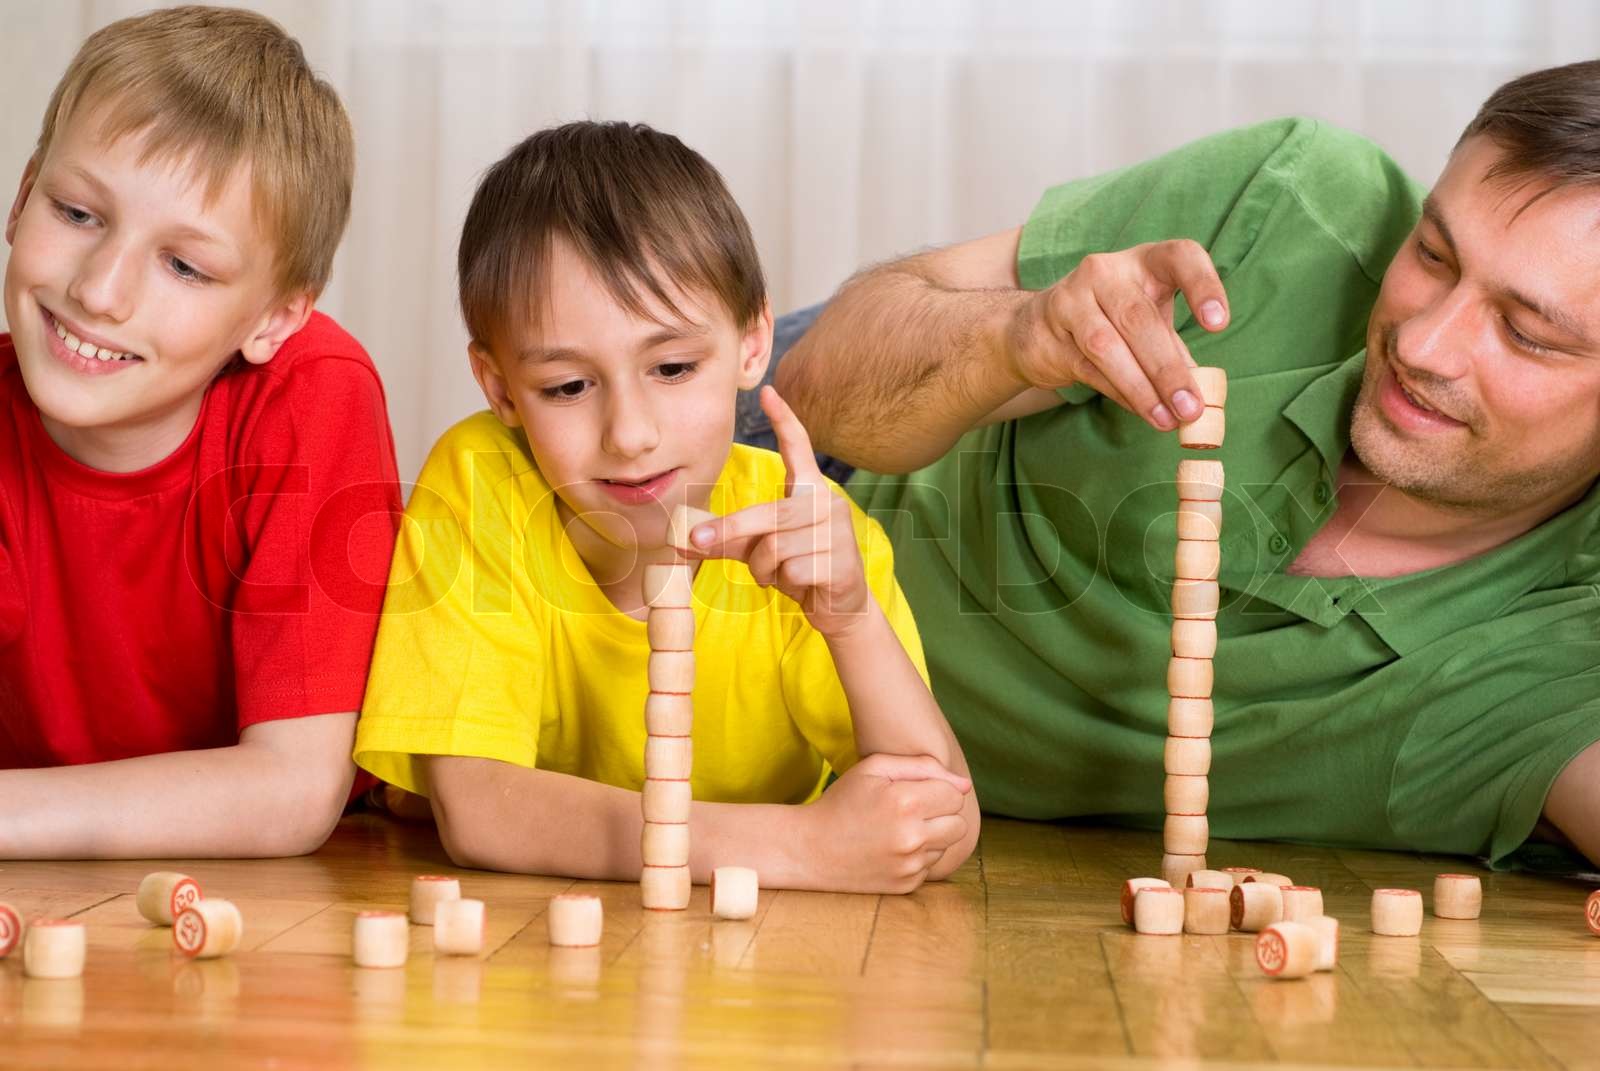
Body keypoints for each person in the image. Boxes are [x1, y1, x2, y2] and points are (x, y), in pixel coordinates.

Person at [770, 61, 1600, 869]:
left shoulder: (1567, 650)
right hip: (797, 486)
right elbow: (813, 388)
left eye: (1528, 333)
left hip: (860, 815)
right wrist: (1016, 339)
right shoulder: (1298, 201)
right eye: (1433, 255)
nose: (1421, 344)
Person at [353, 121, 978, 893]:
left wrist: (848, 619)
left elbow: (939, 824)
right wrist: (802, 845)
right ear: (500, 387)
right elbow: (479, 809)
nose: (629, 434)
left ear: (754, 343)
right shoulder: (479, 478)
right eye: (568, 387)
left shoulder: (811, 532)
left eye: (673, 367)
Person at [0, 6, 402, 858]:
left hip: (277, 899)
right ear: (23, 193)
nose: (101, 291)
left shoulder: (313, 393)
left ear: (275, 315)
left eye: (184, 265)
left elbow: (293, 790)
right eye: (76, 212)